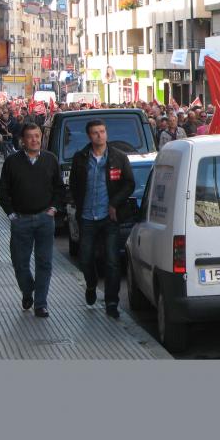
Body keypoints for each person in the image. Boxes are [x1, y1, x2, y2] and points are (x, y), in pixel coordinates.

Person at [69, 120, 136, 319]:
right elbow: (74, 184)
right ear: (89, 136)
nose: (100, 136)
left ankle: (112, 302)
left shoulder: (118, 157)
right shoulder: (80, 158)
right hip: (88, 216)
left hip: (109, 218)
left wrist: (115, 203)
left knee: (112, 261)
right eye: (95, 133)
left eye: (102, 132)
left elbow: (129, 184)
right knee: (86, 258)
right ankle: (91, 285)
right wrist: (76, 204)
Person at [0, 123, 64, 318]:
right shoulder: (12, 162)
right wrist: (12, 215)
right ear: (22, 140)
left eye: (37, 136)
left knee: (44, 263)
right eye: (30, 137)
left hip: (45, 219)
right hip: (21, 220)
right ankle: (28, 291)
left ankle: (40, 304)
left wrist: (53, 209)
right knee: (20, 262)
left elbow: (59, 189)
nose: (35, 140)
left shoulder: (50, 160)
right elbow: (3, 193)